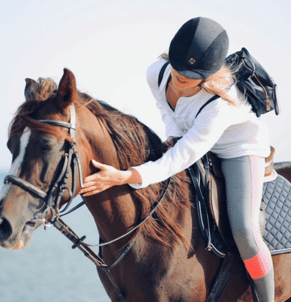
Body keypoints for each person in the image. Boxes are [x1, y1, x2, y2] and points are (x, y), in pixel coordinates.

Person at [81, 17, 274, 302]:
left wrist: (126, 176)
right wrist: (173, 133)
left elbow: (183, 156)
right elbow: (166, 108)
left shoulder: (220, 104)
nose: (179, 78)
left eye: (190, 76)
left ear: (208, 76)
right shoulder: (156, 73)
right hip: (192, 136)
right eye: (177, 68)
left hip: (239, 149)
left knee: (245, 231)